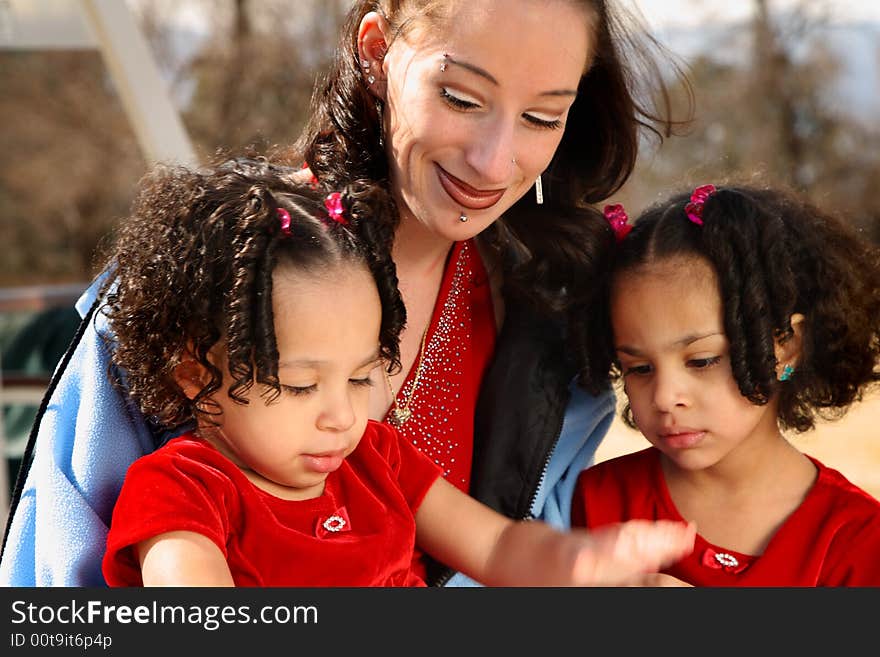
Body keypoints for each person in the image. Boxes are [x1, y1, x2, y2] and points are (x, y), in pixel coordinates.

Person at [1, 0, 691, 586]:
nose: (493, 161)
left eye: (542, 117)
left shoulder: (556, 322)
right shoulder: (211, 271)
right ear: (376, 52)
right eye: (461, 98)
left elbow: (513, 553)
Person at [99, 157, 694, 586]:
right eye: (301, 385)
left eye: (361, 379)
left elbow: (497, 546)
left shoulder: (375, 457)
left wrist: (583, 562)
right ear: (192, 371)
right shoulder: (184, 491)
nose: (342, 416)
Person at [571, 183, 880, 586]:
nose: (665, 398)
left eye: (701, 360)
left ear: (785, 347)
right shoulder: (597, 501)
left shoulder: (857, 539)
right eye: (639, 368)